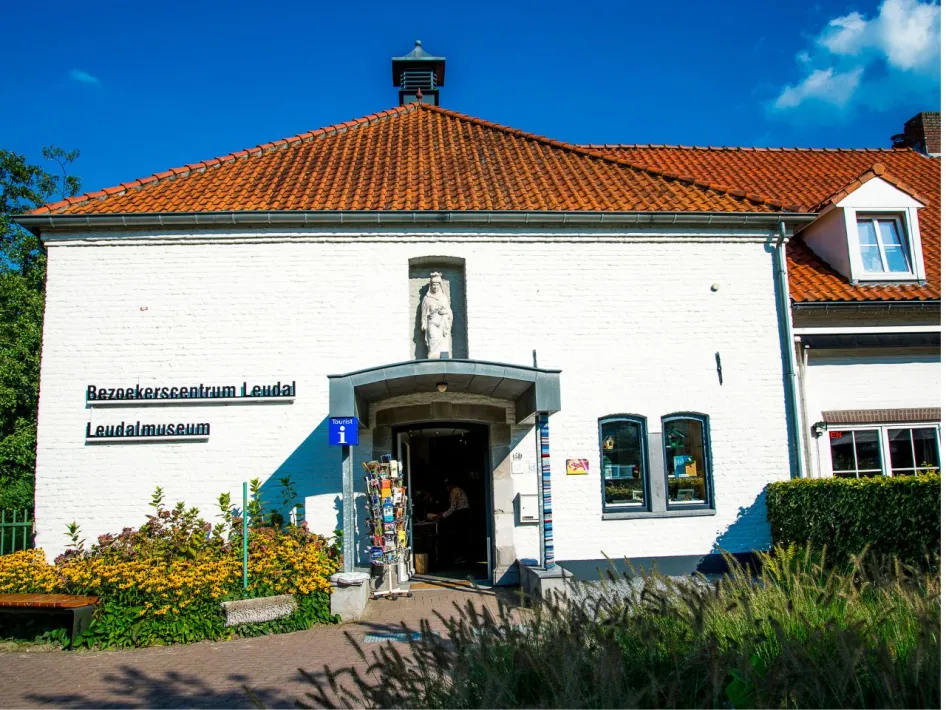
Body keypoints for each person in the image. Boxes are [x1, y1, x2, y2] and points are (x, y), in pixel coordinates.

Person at [436, 479, 471, 564]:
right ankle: (464, 556)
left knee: (459, 535)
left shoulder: (454, 492)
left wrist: (442, 515)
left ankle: (460, 556)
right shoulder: (459, 490)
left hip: (461, 514)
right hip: (465, 513)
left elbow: (453, 507)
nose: (446, 488)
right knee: (464, 535)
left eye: (447, 486)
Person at [420, 272, 453, 358]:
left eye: (437, 285)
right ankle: (433, 354)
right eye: (433, 285)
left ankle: (443, 355)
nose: (435, 287)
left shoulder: (443, 297)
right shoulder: (427, 298)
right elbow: (424, 313)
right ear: (431, 286)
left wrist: (445, 312)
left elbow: (449, 311)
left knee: (443, 341)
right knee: (433, 339)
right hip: (432, 322)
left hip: (442, 323)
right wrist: (423, 323)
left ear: (440, 285)